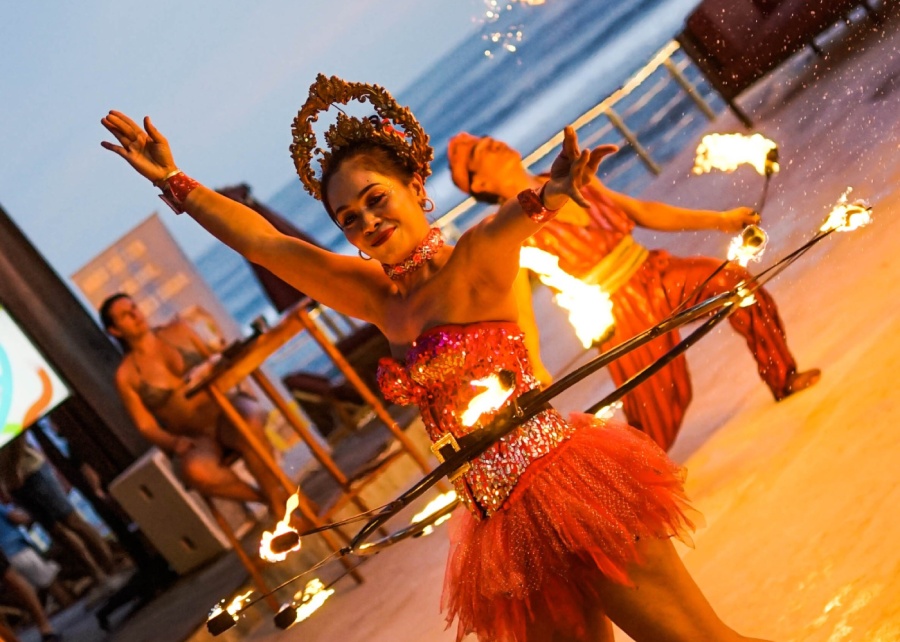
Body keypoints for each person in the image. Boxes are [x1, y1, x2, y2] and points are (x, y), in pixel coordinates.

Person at [100, 75, 771, 641]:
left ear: (416, 187)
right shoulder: (375, 296)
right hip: (500, 526)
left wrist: (553, 192)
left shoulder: (473, 259)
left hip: (571, 489)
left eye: (376, 200)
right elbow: (266, 246)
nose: (367, 222)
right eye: (349, 218)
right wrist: (177, 183)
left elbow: (514, 218)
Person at [448, 133, 820, 450]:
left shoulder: (565, 177)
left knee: (734, 283)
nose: (492, 143)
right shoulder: (507, 228)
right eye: (479, 151)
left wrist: (720, 220)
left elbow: (641, 210)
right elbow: (521, 309)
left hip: (653, 270)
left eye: (487, 139)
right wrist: (536, 371)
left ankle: (784, 377)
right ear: (477, 184)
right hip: (620, 314)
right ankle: (635, 480)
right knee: (659, 417)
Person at [97, 294, 293, 521]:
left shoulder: (178, 330)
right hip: (195, 435)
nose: (135, 315)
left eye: (134, 307)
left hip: (225, 410)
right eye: (125, 315)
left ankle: (279, 507)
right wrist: (173, 442)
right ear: (115, 330)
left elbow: (218, 360)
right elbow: (145, 426)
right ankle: (271, 499)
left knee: (247, 425)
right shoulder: (126, 375)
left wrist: (215, 362)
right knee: (197, 472)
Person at [0, 437, 119, 604]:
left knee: (72, 521)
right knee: (57, 532)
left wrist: (14, 467)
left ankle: (112, 568)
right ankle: (99, 576)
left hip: (31, 470)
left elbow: (18, 433)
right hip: (13, 484)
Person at [0, 514, 64, 642]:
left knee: (10, 577)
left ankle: (45, 628)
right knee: (11, 578)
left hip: (17, 550)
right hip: (17, 549)